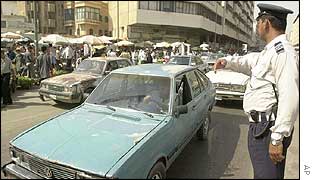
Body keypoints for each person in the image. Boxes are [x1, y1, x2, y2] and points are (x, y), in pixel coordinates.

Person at [213, 4, 298, 179]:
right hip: (260, 128)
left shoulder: (283, 53)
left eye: (258, 21)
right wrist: (227, 62)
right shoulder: (269, 51)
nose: (256, 25)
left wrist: (277, 138)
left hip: (268, 129)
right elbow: (251, 62)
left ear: (266, 23)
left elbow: (290, 95)